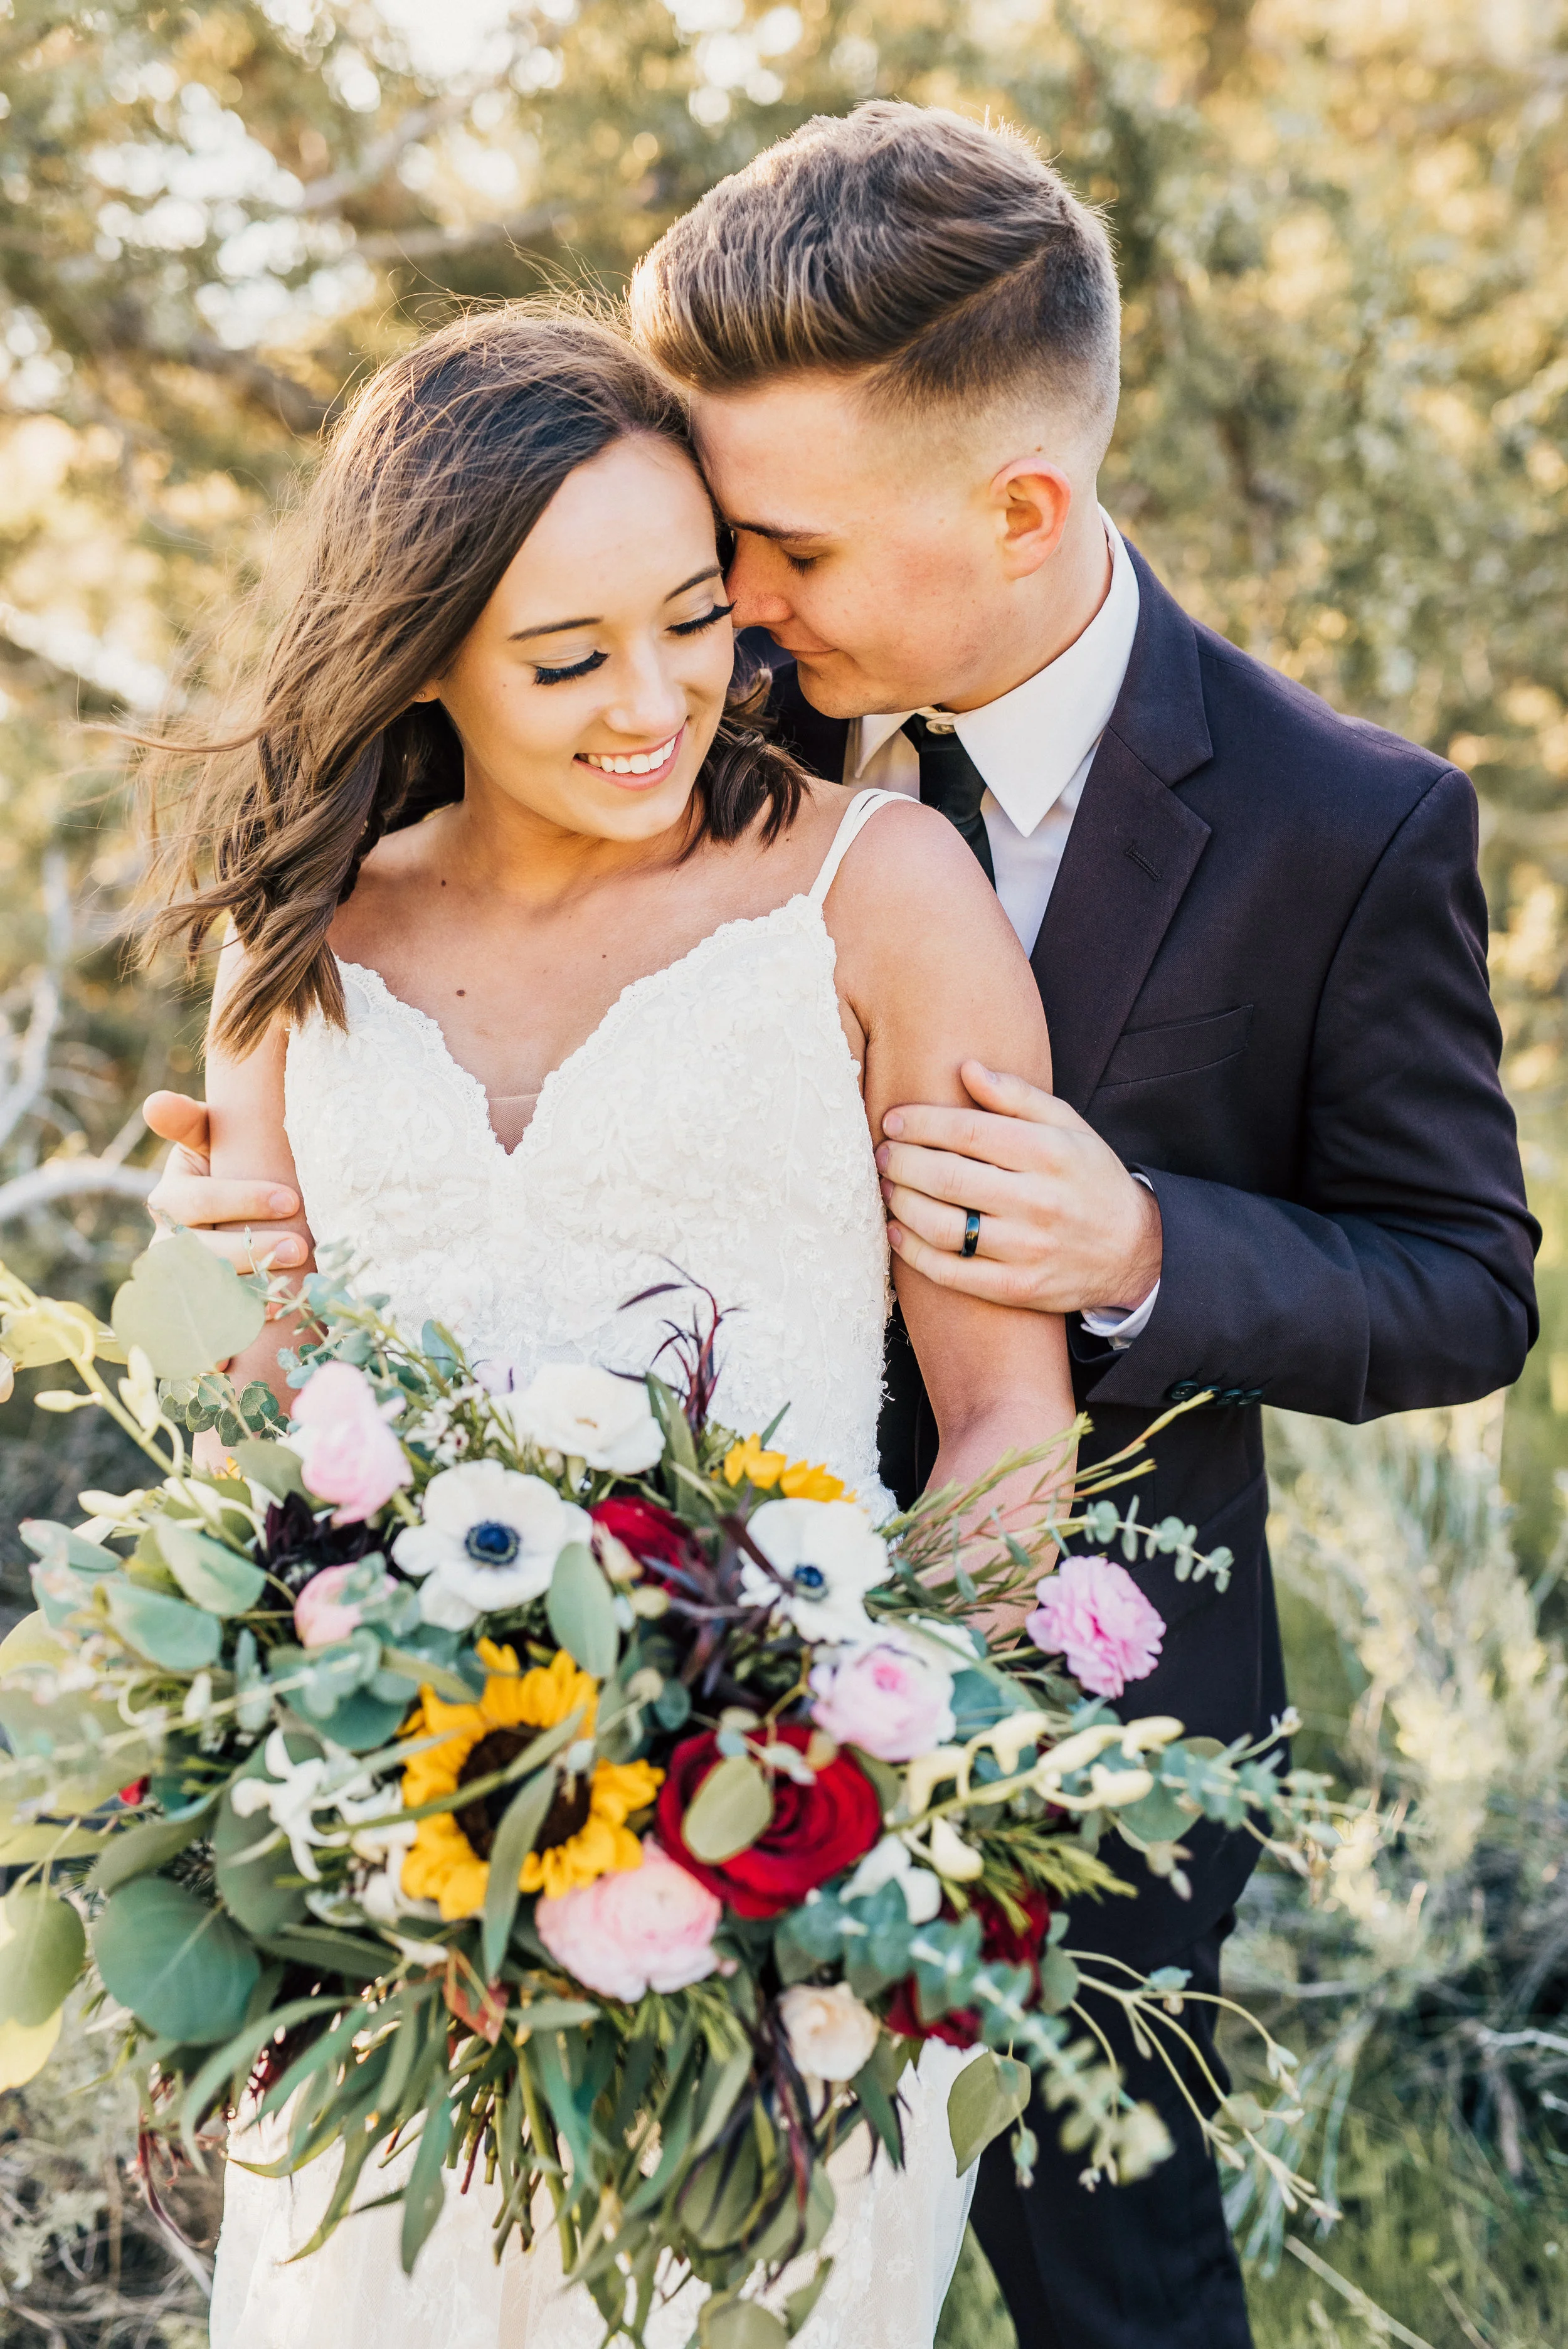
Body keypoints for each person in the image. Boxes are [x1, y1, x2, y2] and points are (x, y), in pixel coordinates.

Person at [144, 103, 1539, 2349]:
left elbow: (1464, 1283)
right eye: (711, 556)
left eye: (765, 559)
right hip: (453, 1754)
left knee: (1106, 2281)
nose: (733, 631)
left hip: (1043, 1701)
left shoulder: (1334, 826)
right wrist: (243, 1247)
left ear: (1015, 508)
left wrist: (1142, 1249)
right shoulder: (659, 672)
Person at [141, 305, 1076, 2349]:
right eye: (566, 661)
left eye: (689, 618)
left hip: (777, 1925)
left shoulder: (881, 893)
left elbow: (1010, 1424)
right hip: (385, 1921)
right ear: (422, 652)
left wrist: (853, 1799)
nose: (655, 702)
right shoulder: (296, 942)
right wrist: (205, 1294)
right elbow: (261, 1430)